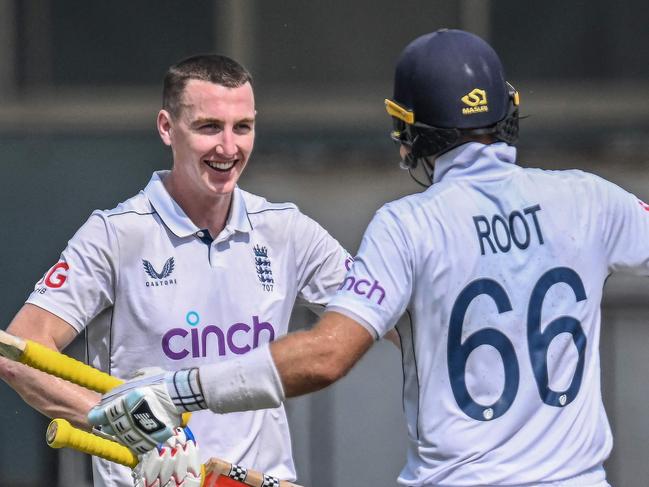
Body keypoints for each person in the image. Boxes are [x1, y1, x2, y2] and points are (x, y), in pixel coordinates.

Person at [86, 28, 640, 486]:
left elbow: (328, 356)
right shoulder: (591, 198)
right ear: (508, 109)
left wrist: (176, 389)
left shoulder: (409, 226)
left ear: (410, 129)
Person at [0, 54, 350, 487]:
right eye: (208, 127)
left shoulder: (287, 230)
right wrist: (131, 426)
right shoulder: (114, 234)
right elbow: (19, 354)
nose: (228, 147)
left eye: (242, 127)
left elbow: (393, 318)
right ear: (167, 127)